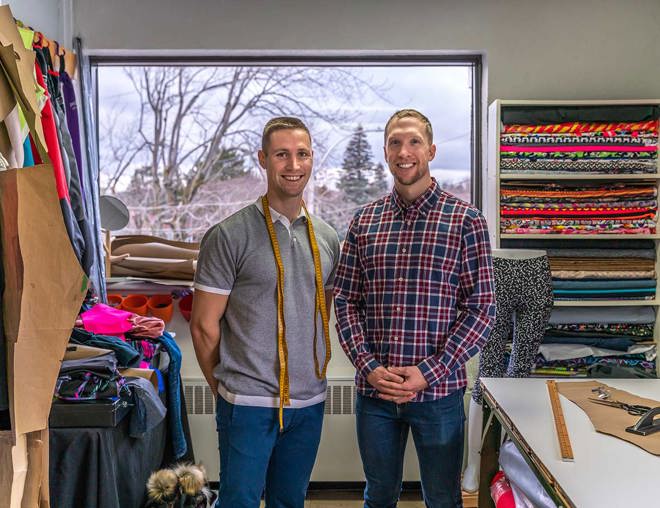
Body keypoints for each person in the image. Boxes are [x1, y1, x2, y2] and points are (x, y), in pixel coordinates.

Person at [334, 109, 496, 508]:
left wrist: (430, 371)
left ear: (431, 150)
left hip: (439, 394)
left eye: (414, 142)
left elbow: (482, 309)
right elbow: (345, 301)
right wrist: (369, 367)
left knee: (442, 498)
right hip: (375, 392)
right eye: (394, 142)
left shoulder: (466, 221)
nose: (404, 151)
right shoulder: (364, 222)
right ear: (386, 152)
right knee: (378, 497)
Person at [190, 116, 340, 508]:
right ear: (263, 159)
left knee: (290, 501)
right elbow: (204, 327)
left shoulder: (326, 238)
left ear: (312, 160)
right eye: (282, 155)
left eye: (302, 154)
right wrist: (227, 391)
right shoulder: (228, 235)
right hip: (248, 402)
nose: (294, 165)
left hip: (309, 403)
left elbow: (319, 312)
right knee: (239, 501)